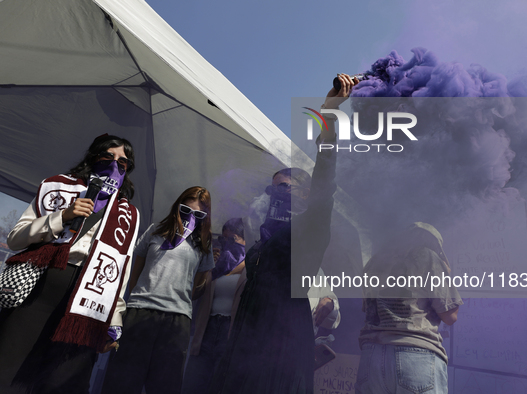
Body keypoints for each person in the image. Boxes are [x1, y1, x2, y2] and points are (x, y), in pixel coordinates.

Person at [208, 74, 358, 394]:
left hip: (283, 338)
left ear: (305, 196)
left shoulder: (310, 227)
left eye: (289, 189)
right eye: (276, 188)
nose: (280, 193)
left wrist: (329, 113)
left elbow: (325, 179)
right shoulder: (262, 235)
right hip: (246, 336)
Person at [0, 134, 140, 394]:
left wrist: (113, 322)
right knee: (8, 373)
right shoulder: (58, 186)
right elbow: (16, 238)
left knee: (64, 383)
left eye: (123, 162)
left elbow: (120, 272)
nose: (115, 164)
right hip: (39, 291)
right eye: (108, 156)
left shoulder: (127, 213)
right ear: (93, 157)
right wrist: (63, 216)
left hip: (88, 301)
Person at [101, 186, 214, 394]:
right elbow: (134, 274)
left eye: (198, 214)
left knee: (165, 385)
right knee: (121, 381)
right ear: (177, 207)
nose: (191, 217)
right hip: (140, 312)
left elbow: (196, 286)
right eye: (186, 210)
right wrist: (129, 307)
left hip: (177, 319)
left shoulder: (203, 244)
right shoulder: (155, 231)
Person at [355, 222, 463, 394]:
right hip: (415, 357)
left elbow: (368, 310)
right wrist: (446, 275)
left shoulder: (373, 262)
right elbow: (450, 315)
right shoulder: (427, 256)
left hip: (371, 356)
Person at [181, 218, 247, 394]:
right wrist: (209, 264)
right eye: (225, 239)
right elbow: (195, 292)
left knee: (219, 385)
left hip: (229, 332)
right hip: (206, 329)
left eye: (232, 239)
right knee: (193, 383)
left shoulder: (251, 267)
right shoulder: (216, 264)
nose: (228, 244)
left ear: (244, 239)